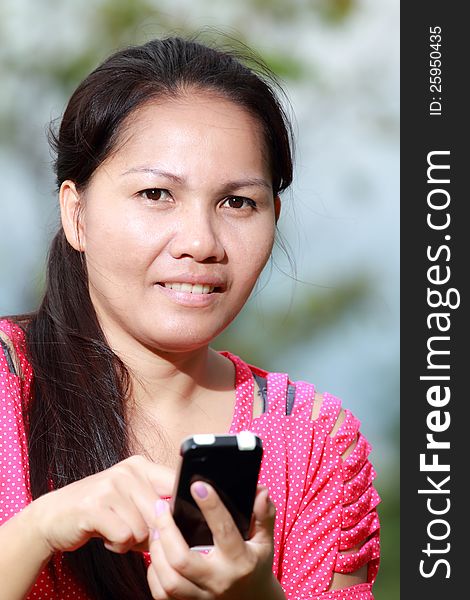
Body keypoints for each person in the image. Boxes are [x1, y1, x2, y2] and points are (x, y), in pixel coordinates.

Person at [0, 36, 380, 599]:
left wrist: (256, 594)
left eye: (238, 203)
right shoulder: (8, 391)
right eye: (156, 194)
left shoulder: (316, 444)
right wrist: (39, 529)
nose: (202, 242)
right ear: (75, 213)